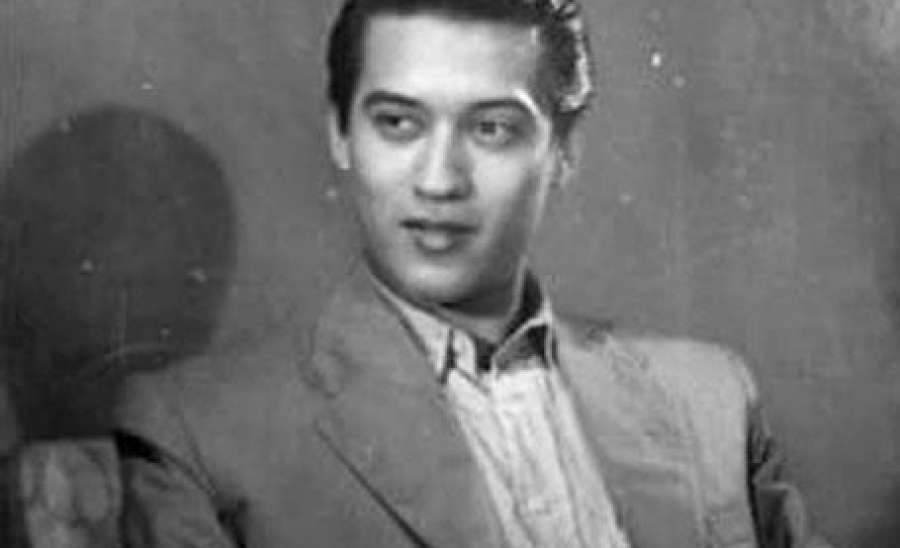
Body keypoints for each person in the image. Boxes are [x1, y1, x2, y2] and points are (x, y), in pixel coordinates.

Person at [113, 0, 830, 546]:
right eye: (399, 123)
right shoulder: (197, 431)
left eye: (491, 128)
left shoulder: (712, 399)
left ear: (564, 152)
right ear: (340, 134)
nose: (439, 180)